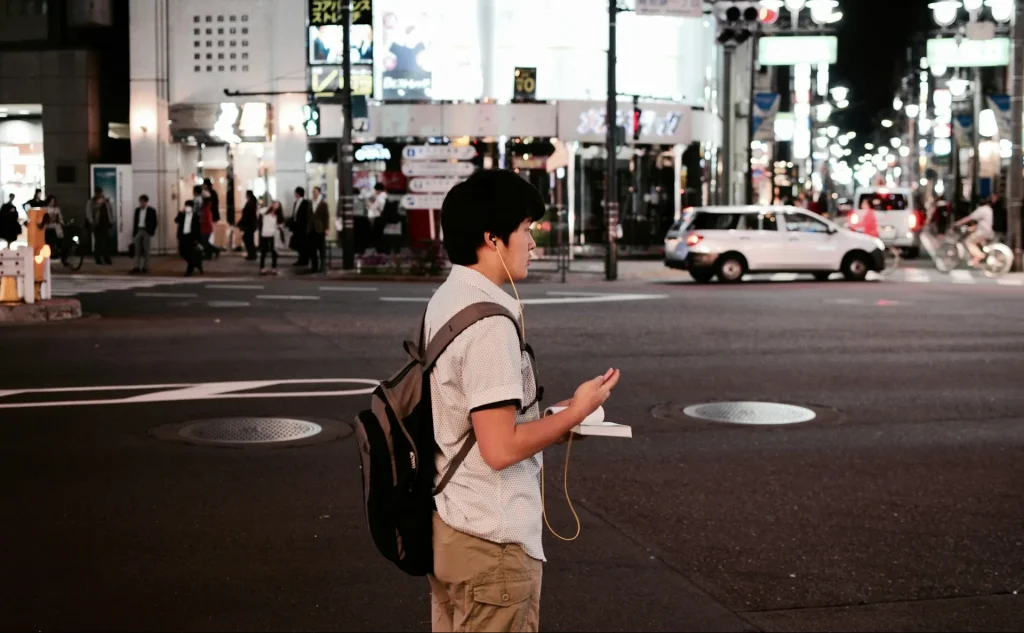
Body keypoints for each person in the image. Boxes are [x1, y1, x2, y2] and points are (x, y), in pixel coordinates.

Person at [424, 169, 621, 633]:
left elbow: (474, 418)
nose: (532, 242)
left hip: (453, 527)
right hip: (493, 546)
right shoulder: (490, 324)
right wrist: (577, 412)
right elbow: (500, 448)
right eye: (526, 229)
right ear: (493, 238)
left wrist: (557, 420)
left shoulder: (449, 296)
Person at [956, 198, 996, 266]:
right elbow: (982, 222)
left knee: (969, 242)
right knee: (978, 243)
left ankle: (979, 256)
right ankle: (976, 259)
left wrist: (958, 223)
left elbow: (970, 218)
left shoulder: (982, 209)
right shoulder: (989, 209)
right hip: (988, 231)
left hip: (982, 231)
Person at [131, 194, 158, 274]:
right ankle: (136, 267)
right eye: (140, 201)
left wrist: (151, 232)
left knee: (146, 250)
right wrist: (134, 233)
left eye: (143, 201)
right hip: (139, 230)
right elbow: (135, 222)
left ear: (146, 202)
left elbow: (155, 222)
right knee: (137, 250)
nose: (141, 203)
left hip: (147, 231)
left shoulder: (151, 210)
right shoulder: (137, 210)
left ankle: (145, 267)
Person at [87, 188, 114, 265]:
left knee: (107, 242)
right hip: (97, 224)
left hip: (106, 224)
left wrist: (111, 220)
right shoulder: (92, 202)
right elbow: (89, 212)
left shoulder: (106, 201)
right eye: (98, 193)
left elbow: (110, 210)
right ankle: (98, 259)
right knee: (98, 242)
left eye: (100, 193)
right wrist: (91, 222)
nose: (99, 194)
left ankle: (107, 258)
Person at [175, 199, 203, 276]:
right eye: (186, 206)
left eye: (189, 206)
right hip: (183, 236)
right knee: (182, 252)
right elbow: (176, 220)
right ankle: (196, 264)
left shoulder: (195, 216)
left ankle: (189, 271)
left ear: (192, 207)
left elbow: (197, 228)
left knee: (190, 253)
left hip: (191, 237)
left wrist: (197, 239)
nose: (187, 207)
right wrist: (181, 213)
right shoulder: (182, 214)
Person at [258, 200, 284, 275]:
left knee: (274, 252)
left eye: (277, 205)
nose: (275, 206)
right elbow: (259, 212)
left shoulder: (278, 215)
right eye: (274, 204)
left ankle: (274, 268)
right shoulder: (266, 210)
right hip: (265, 233)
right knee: (263, 251)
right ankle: (262, 267)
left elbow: (280, 224)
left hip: (273, 235)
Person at [289, 186, 311, 266]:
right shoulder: (295, 203)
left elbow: (306, 216)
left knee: (302, 244)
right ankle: (301, 259)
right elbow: (294, 214)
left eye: (295, 193)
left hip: (302, 227)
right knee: (297, 244)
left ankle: (304, 260)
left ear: (298, 193)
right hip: (296, 227)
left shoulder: (306, 203)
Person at [309, 186, 329, 273]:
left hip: (320, 228)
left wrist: (326, 228)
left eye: (316, 191)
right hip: (311, 229)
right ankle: (314, 266)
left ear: (319, 193)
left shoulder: (323, 204)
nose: (314, 193)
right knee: (312, 249)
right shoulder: (310, 203)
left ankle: (323, 266)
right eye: (313, 192)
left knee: (321, 249)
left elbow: (326, 217)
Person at [239, 190, 259, 261]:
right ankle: (252, 253)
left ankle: (252, 254)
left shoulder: (250, 203)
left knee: (248, 239)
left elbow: (247, 215)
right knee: (249, 239)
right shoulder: (252, 202)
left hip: (249, 224)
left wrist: (240, 223)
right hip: (251, 224)